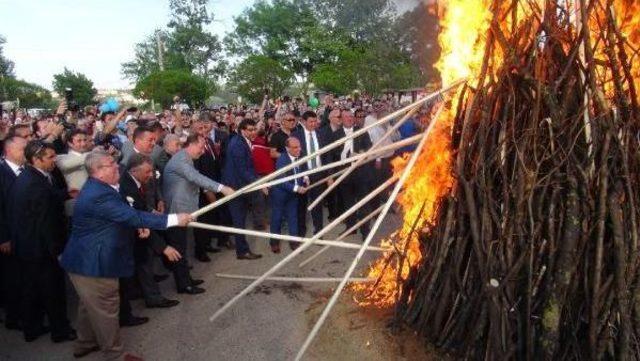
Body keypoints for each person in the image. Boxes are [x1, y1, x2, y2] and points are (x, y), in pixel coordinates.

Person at [59, 150, 193, 361]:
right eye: (111, 164)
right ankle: (115, 354)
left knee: (89, 305)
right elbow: (130, 215)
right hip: (93, 264)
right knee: (106, 308)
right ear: (98, 171)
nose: (116, 166)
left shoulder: (102, 188)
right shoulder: (98, 195)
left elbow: (119, 217)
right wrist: (174, 219)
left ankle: (84, 343)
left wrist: (138, 227)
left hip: (86, 261)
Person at [8, 141, 76, 343]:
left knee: (32, 289)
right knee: (52, 291)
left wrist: (64, 194)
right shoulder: (34, 184)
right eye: (50, 157)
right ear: (36, 160)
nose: (54, 161)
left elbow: (45, 199)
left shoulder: (31, 177)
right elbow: (46, 222)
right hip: (40, 248)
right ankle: (60, 331)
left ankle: (32, 328)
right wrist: (58, 251)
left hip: (28, 246)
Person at [163, 134, 234, 292]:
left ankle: (187, 279)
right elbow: (195, 177)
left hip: (184, 210)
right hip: (176, 212)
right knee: (179, 249)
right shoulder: (181, 160)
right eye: (201, 148)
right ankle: (184, 285)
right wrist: (222, 188)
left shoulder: (186, 158)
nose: (202, 152)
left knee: (183, 247)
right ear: (191, 144)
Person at [119, 154, 181, 311]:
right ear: (134, 171)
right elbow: (137, 218)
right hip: (131, 234)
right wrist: (163, 247)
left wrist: (151, 211)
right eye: (147, 172)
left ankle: (141, 293)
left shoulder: (133, 181)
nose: (151, 175)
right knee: (143, 262)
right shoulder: (126, 187)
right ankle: (152, 298)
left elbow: (140, 207)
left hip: (137, 228)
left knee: (143, 263)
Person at [222, 119, 265, 260]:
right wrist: (259, 183)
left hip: (241, 186)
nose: (253, 132)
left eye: (254, 129)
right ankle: (242, 251)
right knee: (239, 220)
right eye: (250, 130)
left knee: (240, 219)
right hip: (235, 188)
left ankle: (241, 248)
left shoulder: (242, 141)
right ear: (242, 130)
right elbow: (242, 170)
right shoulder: (237, 145)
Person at [0, 136, 27, 331]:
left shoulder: (26, 171)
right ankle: (14, 317)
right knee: (13, 278)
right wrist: (4, 237)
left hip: (26, 233)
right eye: (22, 149)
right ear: (9, 151)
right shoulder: (1, 173)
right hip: (10, 235)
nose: (27, 152)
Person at [292, 111, 331, 237]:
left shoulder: (322, 135)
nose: (314, 124)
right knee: (300, 205)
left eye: (315, 121)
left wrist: (329, 175)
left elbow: (327, 156)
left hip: (318, 174)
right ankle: (300, 232)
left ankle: (318, 231)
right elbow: (293, 157)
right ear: (303, 122)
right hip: (302, 175)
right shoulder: (296, 136)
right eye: (311, 121)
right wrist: (302, 175)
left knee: (317, 204)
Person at [335, 110, 373, 237]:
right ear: (341, 119)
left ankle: (365, 230)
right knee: (348, 202)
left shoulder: (361, 132)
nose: (350, 119)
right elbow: (331, 155)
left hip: (360, 173)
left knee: (363, 203)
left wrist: (361, 153)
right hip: (344, 173)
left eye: (351, 116)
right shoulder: (336, 134)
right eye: (346, 117)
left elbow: (369, 147)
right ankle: (351, 227)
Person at [269, 137, 307, 253]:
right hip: (280, 194)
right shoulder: (282, 160)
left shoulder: (301, 156)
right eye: (295, 147)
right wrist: (296, 188)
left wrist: (306, 177)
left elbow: (304, 170)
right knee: (277, 218)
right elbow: (281, 180)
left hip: (293, 194)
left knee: (293, 217)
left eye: (299, 146)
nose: (299, 149)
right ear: (287, 148)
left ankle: (294, 242)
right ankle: (274, 243)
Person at [56, 129, 91, 216]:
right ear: (70, 143)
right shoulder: (62, 158)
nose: (83, 144)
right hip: (76, 203)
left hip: (93, 200)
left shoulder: (90, 155)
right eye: (79, 141)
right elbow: (65, 165)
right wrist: (93, 154)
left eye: (85, 140)